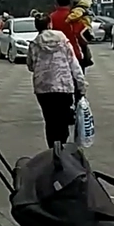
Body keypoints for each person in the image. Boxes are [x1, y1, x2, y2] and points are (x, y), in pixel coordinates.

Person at [28, 16, 85, 149]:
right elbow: (73, 63)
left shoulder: (34, 43)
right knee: (63, 120)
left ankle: (53, 149)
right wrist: (81, 84)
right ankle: (62, 147)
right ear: (49, 24)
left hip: (43, 87)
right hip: (63, 85)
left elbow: (30, 65)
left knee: (50, 120)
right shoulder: (62, 39)